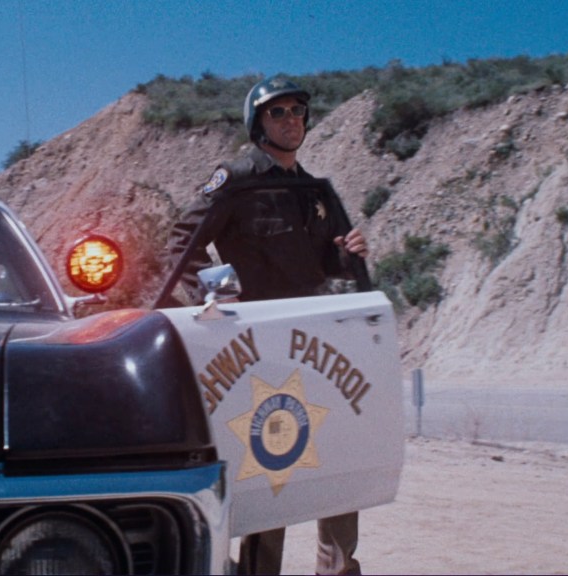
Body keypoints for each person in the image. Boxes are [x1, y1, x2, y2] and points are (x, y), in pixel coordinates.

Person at [165, 76, 369, 575]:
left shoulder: (314, 190)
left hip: (315, 342)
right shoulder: (235, 178)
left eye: (298, 111)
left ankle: (337, 567)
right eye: (278, 112)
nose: (291, 120)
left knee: (339, 467)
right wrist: (218, 295)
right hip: (257, 347)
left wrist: (348, 257)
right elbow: (179, 245)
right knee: (271, 473)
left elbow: (326, 262)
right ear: (258, 122)